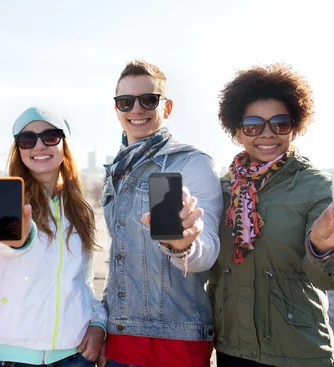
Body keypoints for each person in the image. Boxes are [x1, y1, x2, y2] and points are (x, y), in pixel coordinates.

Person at [208, 63, 334, 367]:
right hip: (232, 349)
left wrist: (321, 246)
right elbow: (210, 271)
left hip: (299, 351)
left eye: (280, 123)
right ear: (237, 131)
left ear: (295, 127)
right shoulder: (220, 190)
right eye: (254, 125)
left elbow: (329, 279)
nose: (267, 134)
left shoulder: (316, 187)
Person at [98, 60, 222, 367]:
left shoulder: (191, 163)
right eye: (125, 102)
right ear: (117, 110)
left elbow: (206, 251)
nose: (136, 109)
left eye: (148, 100)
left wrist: (183, 245)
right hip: (120, 337)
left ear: (166, 108)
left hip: (175, 340)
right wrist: (103, 322)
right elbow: (119, 260)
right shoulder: (116, 171)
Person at [0, 106, 107, 367]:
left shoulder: (81, 209)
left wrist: (97, 322)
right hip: (7, 357)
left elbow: (85, 282)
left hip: (72, 356)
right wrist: (19, 240)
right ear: (18, 148)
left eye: (50, 137)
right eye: (27, 140)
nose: (38, 146)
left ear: (63, 144)